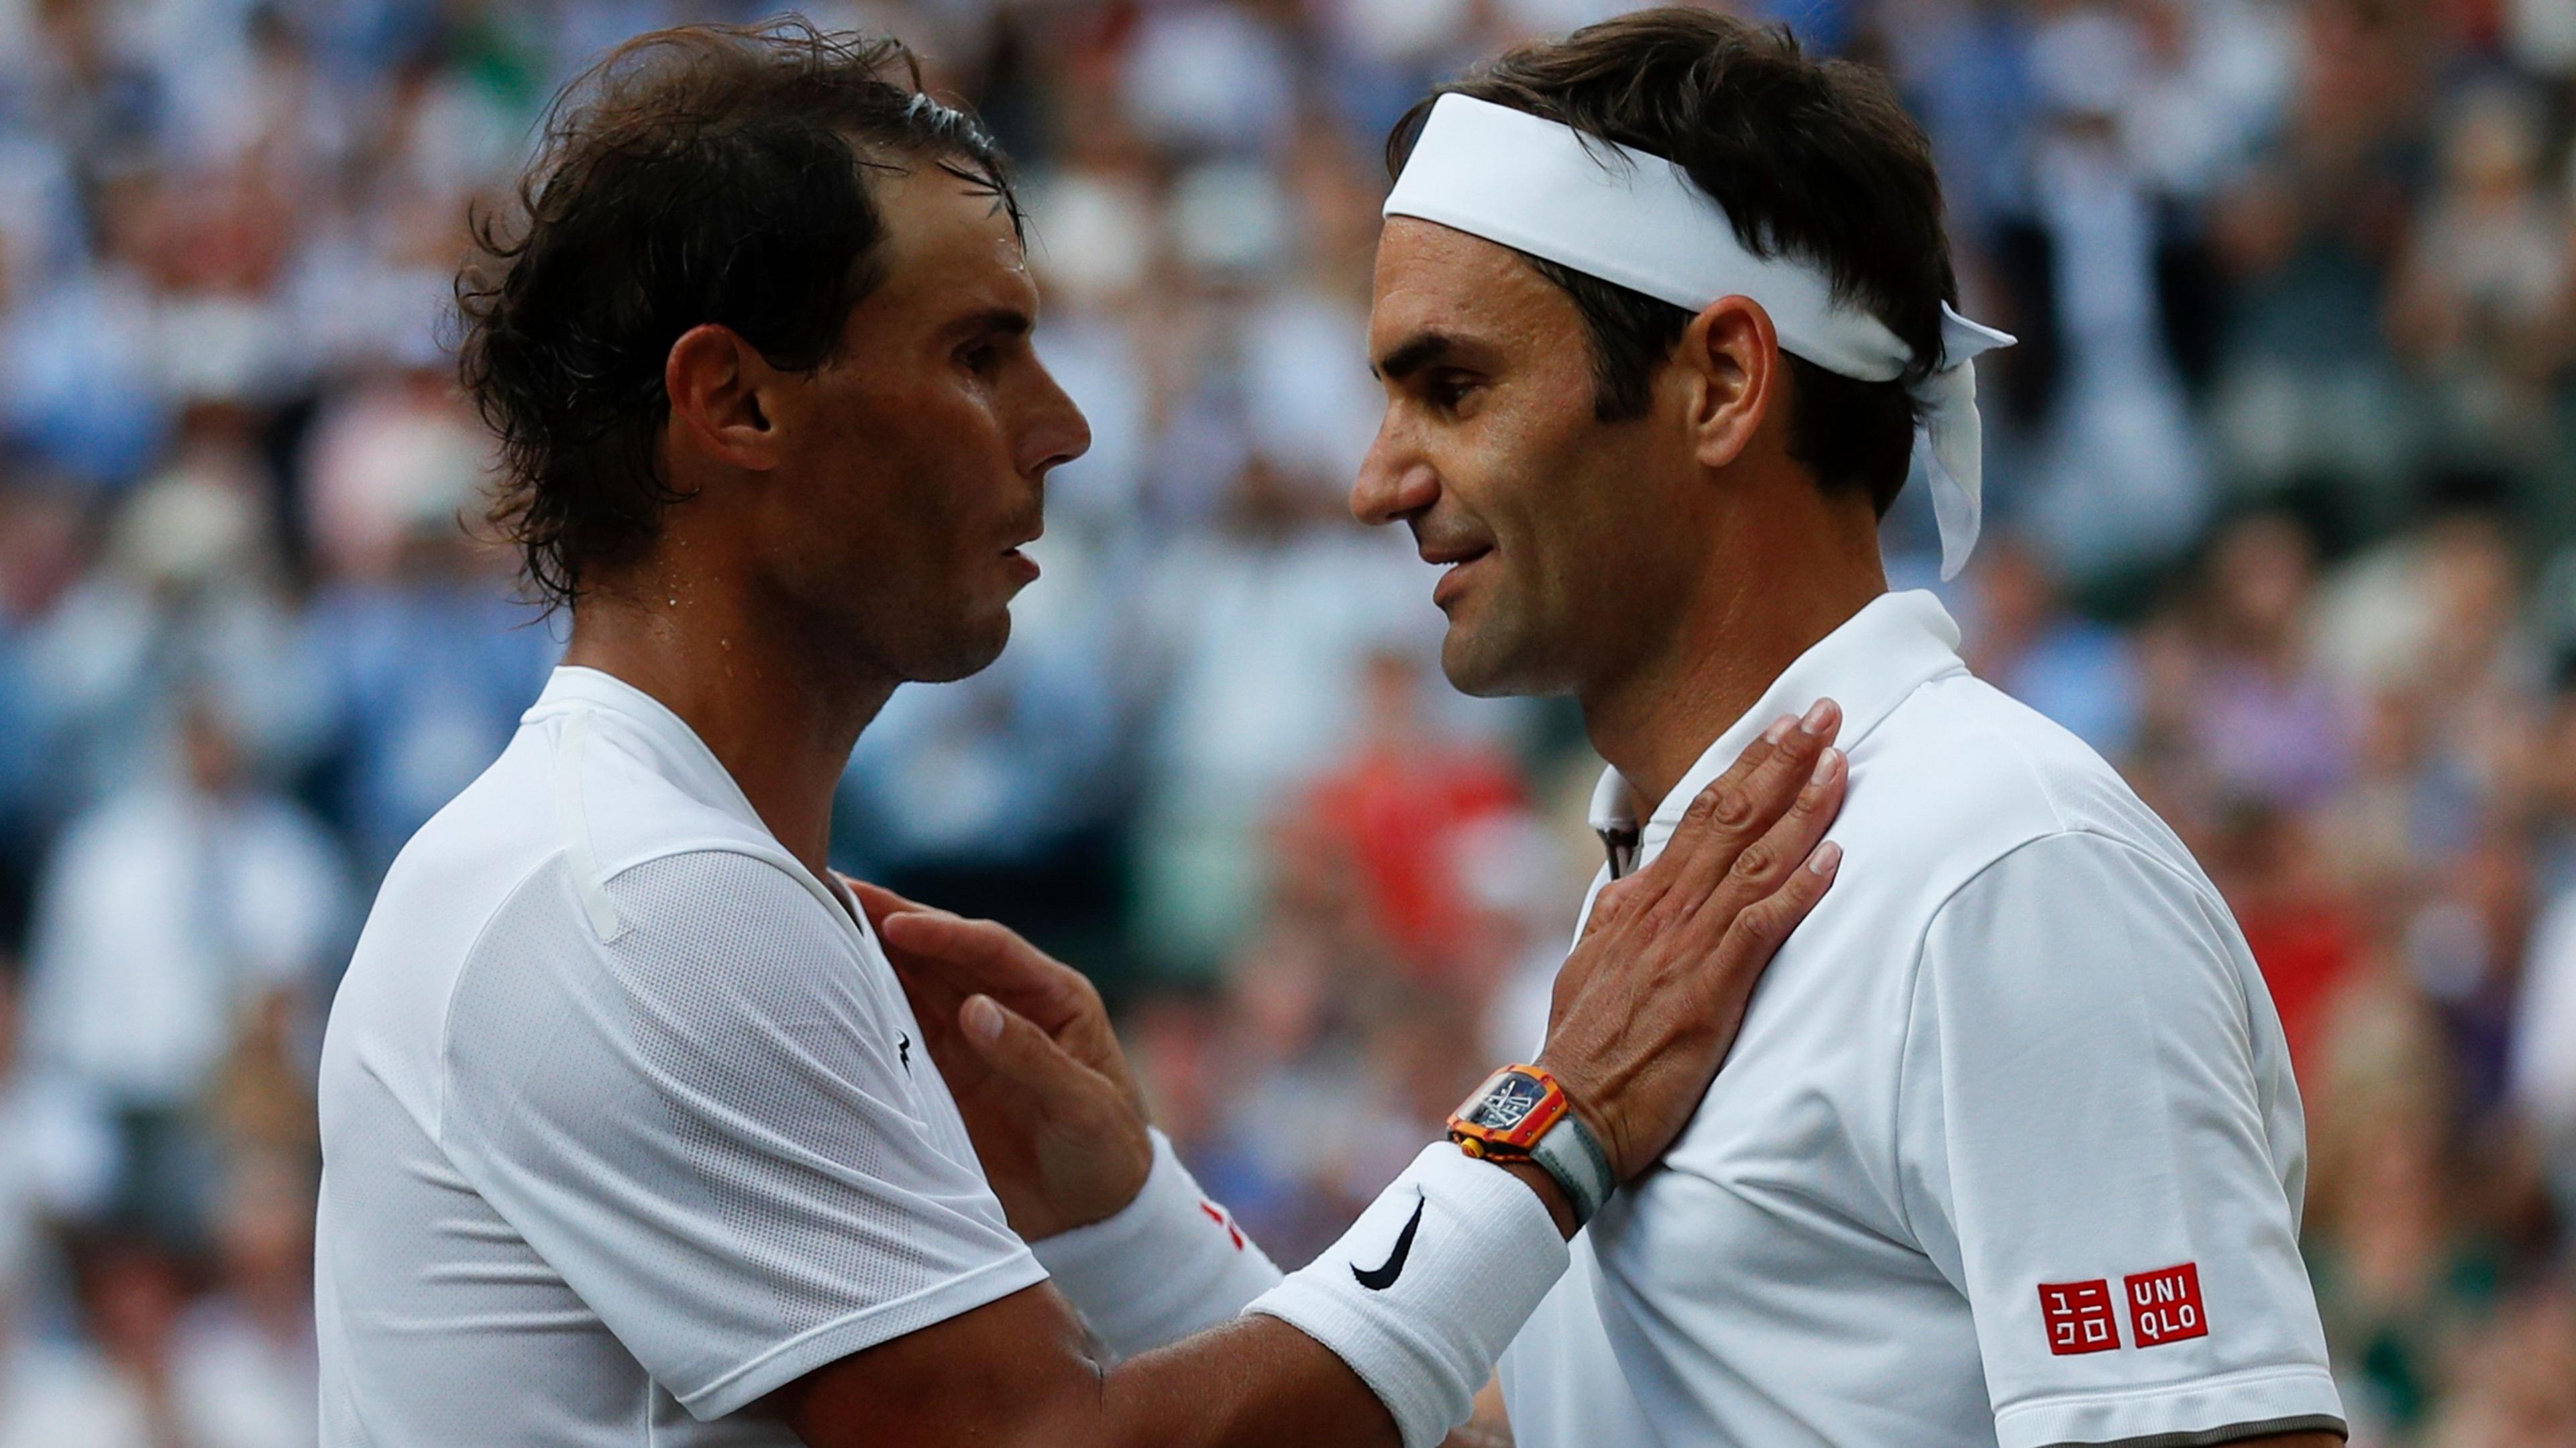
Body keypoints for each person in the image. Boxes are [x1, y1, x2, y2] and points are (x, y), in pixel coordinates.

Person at [311, 23, 1849, 1448]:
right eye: (979, 356)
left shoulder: (657, 871)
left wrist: (1125, 1217)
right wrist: (1555, 1116)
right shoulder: (637, 894)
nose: (1064, 425)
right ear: (735, 404)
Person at [910, 11, 2347, 1448]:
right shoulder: (1677, 883)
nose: (1377, 481)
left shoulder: (2004, 871)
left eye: (1450, 387)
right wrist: (1136, 1216)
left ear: (1721, 383)